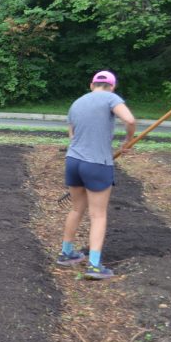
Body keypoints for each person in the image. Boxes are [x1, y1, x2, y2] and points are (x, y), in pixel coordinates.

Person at [57, 70, 136, 280]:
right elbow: (129, 120)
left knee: (76, 209)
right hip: (96, 164)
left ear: (92, 85)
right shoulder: (111, 98)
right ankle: (93, 265)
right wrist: (127, 142)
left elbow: (72, 134)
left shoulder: (77, 102)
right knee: (98, 215)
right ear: (112, 86)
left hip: (73, 161)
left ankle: (66, 253)